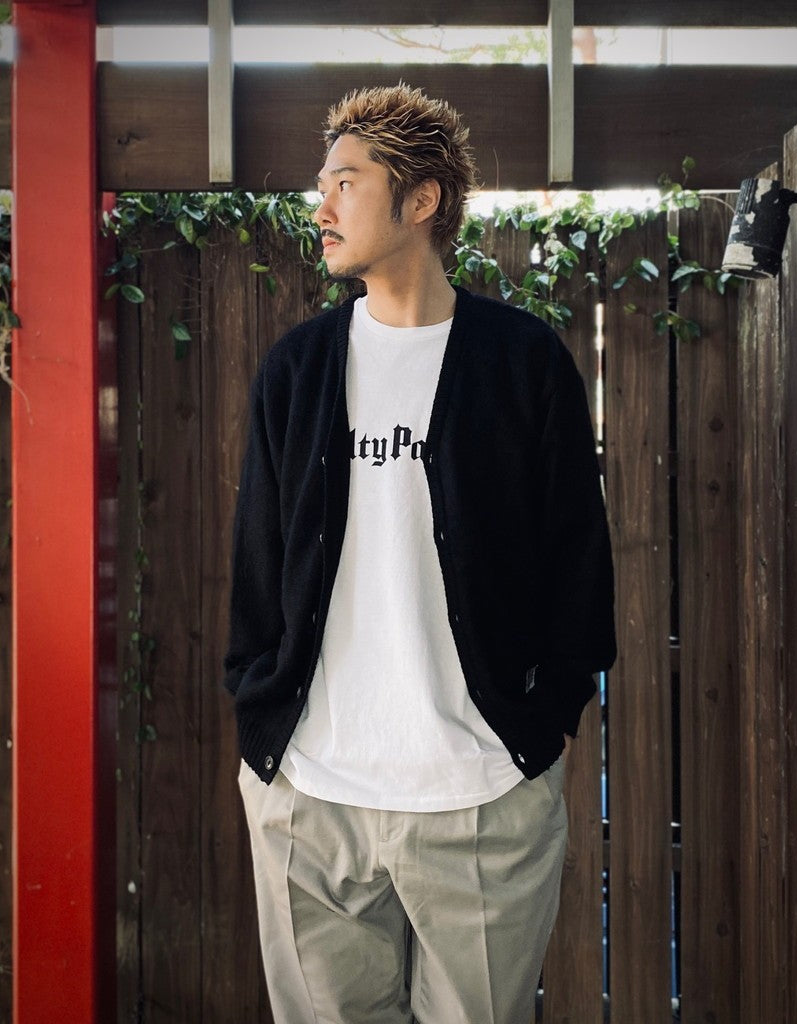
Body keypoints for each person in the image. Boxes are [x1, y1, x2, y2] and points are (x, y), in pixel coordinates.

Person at [224, 83, 616, 1024]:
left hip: (481, 793)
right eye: (321, 184)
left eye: (345, 182)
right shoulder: (296, 370)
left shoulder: (524, 363)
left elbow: (578, 560)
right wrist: (258, 706)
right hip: (312, 797)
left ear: (421, 199)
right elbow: (257, 562)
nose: (320, 206)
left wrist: (549, 721)